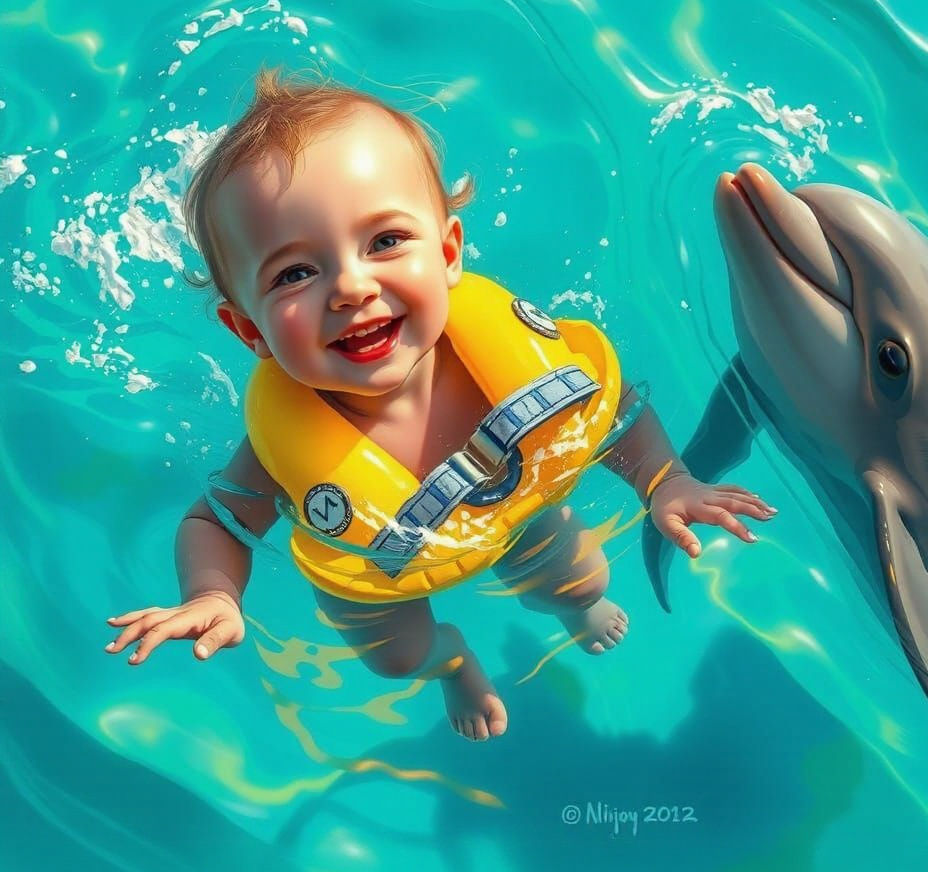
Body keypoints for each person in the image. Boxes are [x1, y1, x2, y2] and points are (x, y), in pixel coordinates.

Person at [105, 69, 776, 740]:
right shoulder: (279, 448)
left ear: (449, 252)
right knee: (396, 660)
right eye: (295, 274)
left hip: (512, 511)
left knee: (582, 583)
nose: (351, 287)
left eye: (385, 242)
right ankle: (452, 659)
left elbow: (610, 412)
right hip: (380, 574)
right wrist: (215, 594)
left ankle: (570, 611)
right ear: (249, 330)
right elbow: (217, 521)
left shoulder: (514, 366)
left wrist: (665, 481)